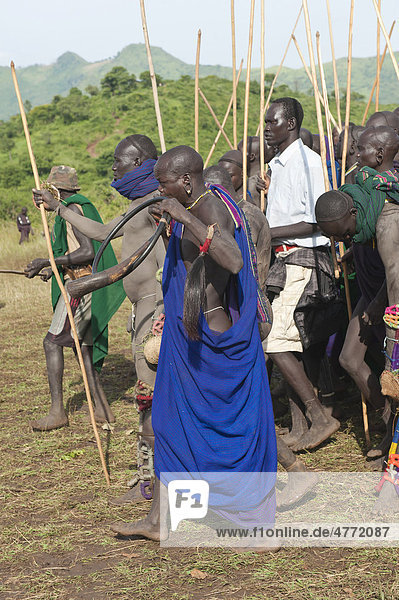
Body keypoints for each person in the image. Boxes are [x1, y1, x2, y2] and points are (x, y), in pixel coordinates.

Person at [111, 145, 277, 542]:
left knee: (220, 429)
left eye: (164, 183)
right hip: (189, 339)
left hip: (212, 341)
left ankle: (247, 519)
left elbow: (234, 261)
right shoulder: (195, 204)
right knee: (170, 423)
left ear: (186, 181)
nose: (160, 189)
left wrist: (181, 215)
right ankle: (157, 520)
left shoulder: (209, 209)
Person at [31, 136, 164, 503]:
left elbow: (168, 268)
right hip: (144, 309)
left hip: (156, 312)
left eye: (119, 162)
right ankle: (150, 481)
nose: (113, 169)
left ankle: (150, 484)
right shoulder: (140, 204)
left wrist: (162, 317)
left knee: (150, 398)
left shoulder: (157, 206)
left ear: (138, 162)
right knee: (149, 397)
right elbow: (105, 233)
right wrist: (59, 209)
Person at [203, 164, 318, 508]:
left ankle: (289, 472)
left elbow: (238, 270)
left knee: (243, 403)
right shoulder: (235, 213)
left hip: (246, 313)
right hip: (239, 313)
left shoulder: (241, 217)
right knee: (240, 402)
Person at [315, 148, 399, 513]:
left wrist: (393, 353)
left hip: (395, 299)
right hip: (380, 293)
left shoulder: (387, 224)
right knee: (350, 357)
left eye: (346, 233)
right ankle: (387, 424)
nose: (345, 240)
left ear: (354, 214)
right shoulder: (357, 197)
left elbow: (397, 281)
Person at [259, 96, 341, 452]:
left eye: (271, 122)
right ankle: (297, 425)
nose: (265, 130)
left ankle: (320, 417)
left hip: (303, 259)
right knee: (286, 343)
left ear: (290, 124)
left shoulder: (308, 162)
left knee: (276, 341)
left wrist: (265, 230)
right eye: (264, 123)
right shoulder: (278, 164)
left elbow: (316, 221)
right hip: (283, 260)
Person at [27, 166, 125, 431]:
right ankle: (103, 409)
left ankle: (57, 412)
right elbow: (76, 252)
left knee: (51, 342)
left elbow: (88, 251)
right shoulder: (76, 207)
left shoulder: (72, 210)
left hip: (81, 287)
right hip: (80, 280)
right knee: (83, 349)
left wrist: (48, 260)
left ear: (55, 191)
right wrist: (53, 268)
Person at [338, 126, 399, 463]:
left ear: (378, 155)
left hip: (388, 299)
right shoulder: (365, 190)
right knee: (349, 359)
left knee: (393, 371)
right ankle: (386, 420)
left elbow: (396, 268)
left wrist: (378, 304)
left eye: (360, 150)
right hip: (368, 288)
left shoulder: (391, 198)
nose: (355, 156)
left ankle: (393, 439)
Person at [237, 136, 276, 209]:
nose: (236, 155)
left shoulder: (254, 183)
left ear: (251, 157)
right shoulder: (265, 178)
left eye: (239, 152)